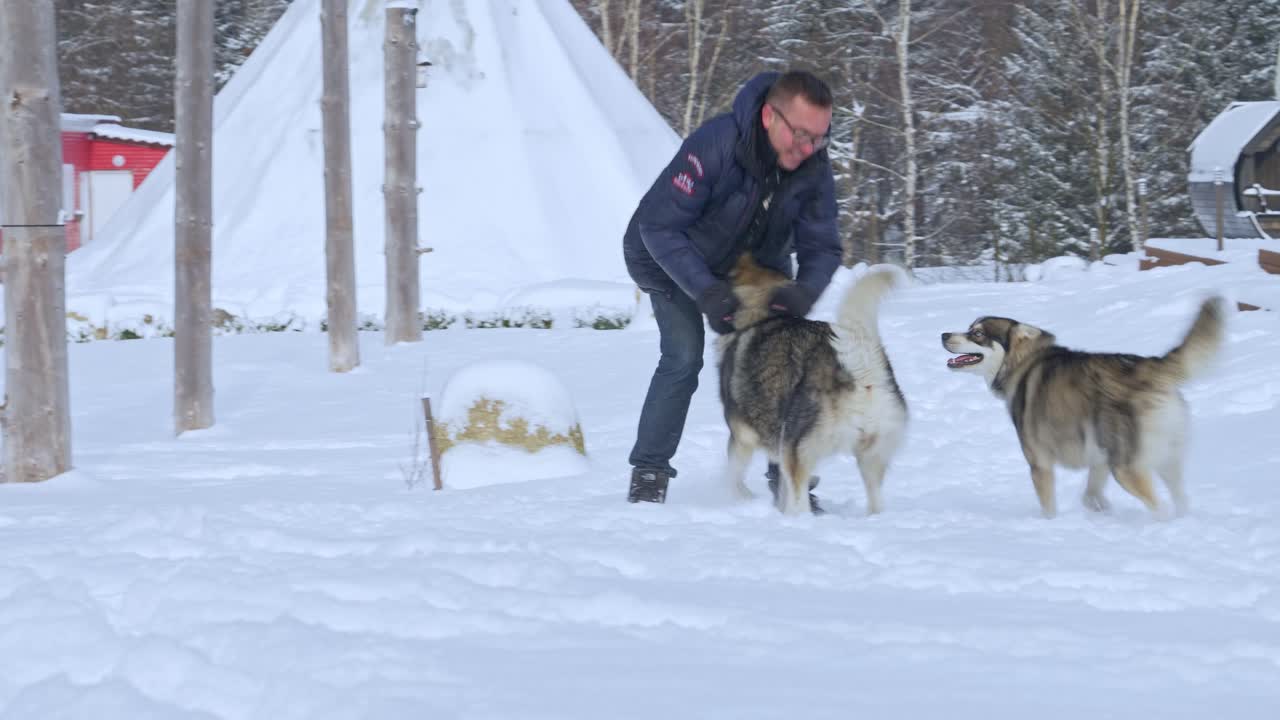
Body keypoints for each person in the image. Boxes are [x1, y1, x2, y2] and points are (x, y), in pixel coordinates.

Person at [622, 70, 843, 507]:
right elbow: (659, 227)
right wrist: (705, 291)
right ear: (768, 116)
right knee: (683, 356)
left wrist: (803, 293)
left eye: (818, 138)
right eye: (799, 135)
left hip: (752, 266)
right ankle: (649, 472)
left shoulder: (812, 167)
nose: (806, 149)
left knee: (782, 358)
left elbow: (822, 245)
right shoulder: (717, 144)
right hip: (670, 260)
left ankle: (788, 476)